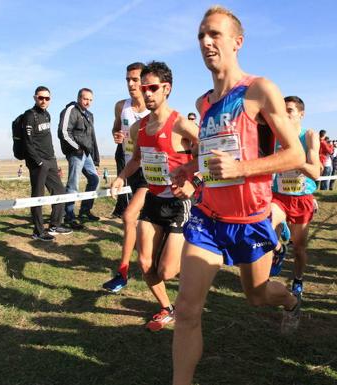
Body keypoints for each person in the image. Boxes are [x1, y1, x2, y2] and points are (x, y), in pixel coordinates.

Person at [171, 7, 304, 384]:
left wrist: (241, 169)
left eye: (214, 34)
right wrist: (191, 169)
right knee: (186, 310)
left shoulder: (259, 90)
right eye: (200, 35)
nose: (206, 42)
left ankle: (291, 301)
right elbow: (212, 152)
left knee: (257, 296)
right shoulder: (204, 103)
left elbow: (295, 155)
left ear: (237, 41)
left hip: (250, 220)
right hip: (208, 220)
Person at [111, 61, 198, 331]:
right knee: (145, 263)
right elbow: (136, 159)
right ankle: (166, 308)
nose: (146, 93)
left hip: (178, 204)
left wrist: (192, 182)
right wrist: (121, 176)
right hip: (153, 200)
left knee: (166, 271)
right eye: (143, 87)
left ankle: (197, 259)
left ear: (166, 89)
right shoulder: (139, 129)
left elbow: (208, 155)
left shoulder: (181, 125)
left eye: (152, 88)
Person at [103, 62, 151, 293]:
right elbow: (116, 129)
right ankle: (126, 271)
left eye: (135, 79)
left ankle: (123, 271)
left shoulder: (154, 109)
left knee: (130, 216)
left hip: (151, 171)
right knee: (138, 219)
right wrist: (116, 135)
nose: (131, 84)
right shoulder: (121, 106)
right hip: (130, 167)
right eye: (128, 80)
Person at [269, 96, 321, 299]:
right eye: (282, 110)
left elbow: (315, 173)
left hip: (302, 198)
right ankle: (279, 250)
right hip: (279, 196)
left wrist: (295, 160)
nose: (284, 114)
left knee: (300, 249)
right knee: (266, 227)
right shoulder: (275, 136)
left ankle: (298, 280)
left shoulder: (308, 136)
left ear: (301, 114)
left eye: (289, 110)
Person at [21, 86, 71, 241]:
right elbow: (27, 142)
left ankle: (55, 225)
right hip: (39, 163)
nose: (44, 101)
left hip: (51, 160)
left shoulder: (47, 115)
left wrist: (53, 161)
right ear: (35, 98)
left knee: (60, 191)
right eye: (41, 98)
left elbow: (46, 140)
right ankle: (38, 231)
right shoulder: (30, 115)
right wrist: (39, 162)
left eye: (47, 98)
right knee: (38, 197)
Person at [58, 88, 101, 225]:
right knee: (73, 184)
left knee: (95, 180)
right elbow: (63, 133)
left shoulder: (89, 115)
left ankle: (84, 211)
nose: (88, 102)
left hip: (87, 154)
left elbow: (92, 139)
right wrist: (77, 149)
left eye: (90, 100)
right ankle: (69, 216)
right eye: (85, 99)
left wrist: (95, 160)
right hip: (75, 153)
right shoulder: (71, 110)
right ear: (78, 98)